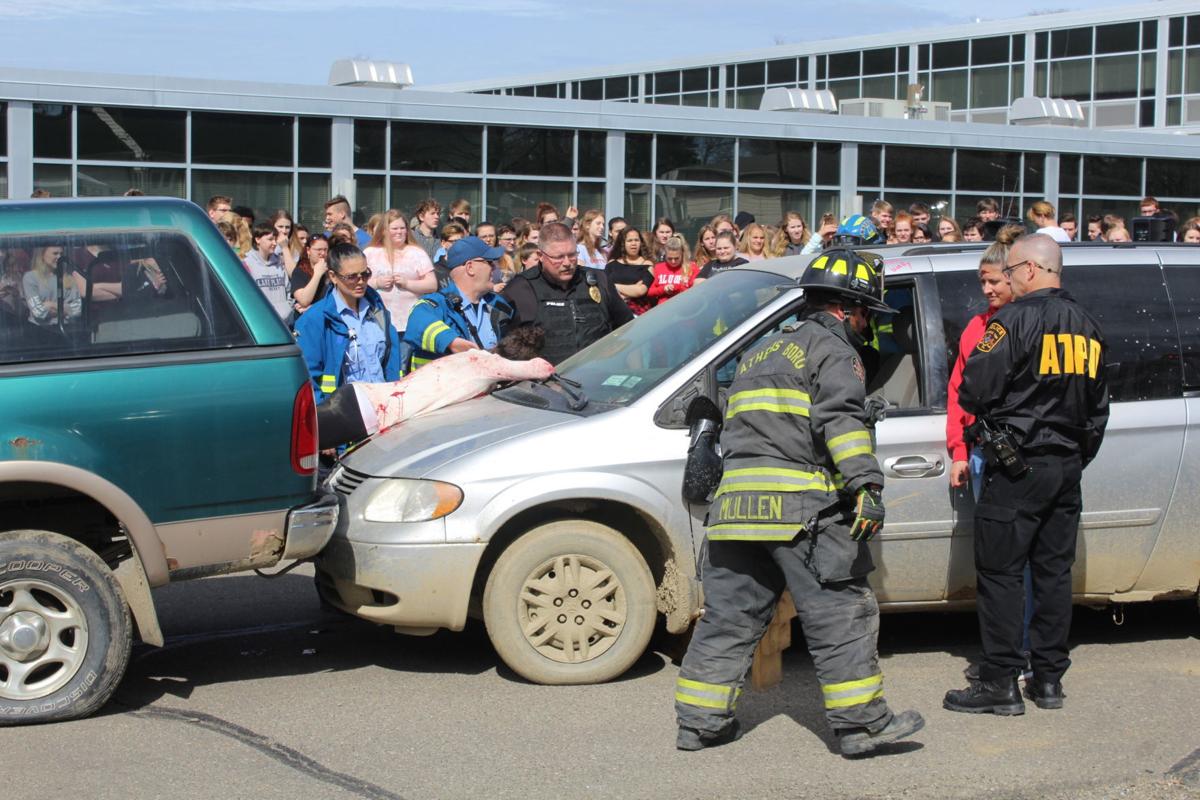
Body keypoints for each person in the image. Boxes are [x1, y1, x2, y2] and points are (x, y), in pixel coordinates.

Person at [673, 247, 924, 756]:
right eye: (866, 316)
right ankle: (862, 726)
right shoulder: (836, 352)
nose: (866, 326)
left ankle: (699, 724)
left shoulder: (760, 352)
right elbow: (840, 424)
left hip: (736, 513)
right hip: (800, 512)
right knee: (840, 615)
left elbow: (769, 427)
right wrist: (866, 487)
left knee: (729, 620)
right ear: (847, 309)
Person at [944, 233, 1109, 716]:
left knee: (1000, 574)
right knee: (1054, 572)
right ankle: (1049, 679)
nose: (1007, 280)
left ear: (1031, 271)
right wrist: (1075, 454)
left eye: (1011, 272)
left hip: (1018, 466)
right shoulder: (1089, 325)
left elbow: (974, 387)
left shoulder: (1012, 320)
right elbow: (1099, 408)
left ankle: (1000, 682)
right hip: (1066, 467)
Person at [316, 326, 555, 450]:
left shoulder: (473, 357)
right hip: (366, 410)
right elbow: (540, 369)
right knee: (289, 446)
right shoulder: (488, 365)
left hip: (361, 398)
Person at [503, 222, 632, 365]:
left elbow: (627, 327)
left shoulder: (599, 280)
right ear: (540, 255)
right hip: (545, 382)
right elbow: (505, 346)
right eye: (558, 257)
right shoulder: (521, 288)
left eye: (572, 255)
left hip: (597, 375)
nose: (567, 263)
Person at [294, 242, 401, 403]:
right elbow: (309, 379)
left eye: (365, 274)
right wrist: (326, 415)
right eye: (351, 277)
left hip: (384, 407)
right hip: (344, 414)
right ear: (333, 276)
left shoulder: (378, 310)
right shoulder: (314, 320)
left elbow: (391, 362)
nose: (360, 282)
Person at [405, 236, 516, 371]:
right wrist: (451, 341)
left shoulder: (499, 304)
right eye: (490, 262)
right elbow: (417, 322)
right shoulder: (435, 303)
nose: (495, 268)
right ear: (470, 267)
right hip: (443, 389)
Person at [364, 209, 438, 338]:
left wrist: (407, 283)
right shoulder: (370, 253)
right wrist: (376, 283)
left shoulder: (416, 253)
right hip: (376, 321)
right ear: (384, 231)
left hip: (409, 322)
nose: (399, 232)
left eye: (402, 228)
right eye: (394, 228)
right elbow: (357, 283)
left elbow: (432, 284)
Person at [243, 222, 292, 321]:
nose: (274, 243)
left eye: (275, 239)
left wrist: (288, 309)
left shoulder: (279, 262)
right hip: (262, 322)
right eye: (270, 239)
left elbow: (288, 291)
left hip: (284, 322)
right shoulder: (247, 264)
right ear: (257, 240)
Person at [23, 246, 81, 326]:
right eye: (55, 253)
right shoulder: (30, 278)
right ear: (42, 255)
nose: (59, 257)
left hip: (65, 329)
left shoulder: (69, 278)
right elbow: (38, 311)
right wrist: (67, 309)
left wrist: (50, 304)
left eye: (61, 254)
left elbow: (77, 310)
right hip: (40, 330)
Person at [606, 226, 655, 316]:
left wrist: (613, 286)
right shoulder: (612, 264)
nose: (634, 244)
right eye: (629, 241)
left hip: (637, 314)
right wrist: (630, 290)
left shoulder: (647, 265)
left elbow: (640, 290)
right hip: (613, 313)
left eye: (636, 240)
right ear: (622, 243)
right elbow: (604, 287)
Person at [648, 235, 699, 302]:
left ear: (682, 254)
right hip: (663, 308)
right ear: (665, 255)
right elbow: (650, 292)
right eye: (669, 258)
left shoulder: (691, 267)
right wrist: (664, 289)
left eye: (676, 258)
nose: (673, 261)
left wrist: (678, 287)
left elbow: (697, 292)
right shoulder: (659, 267)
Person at [291, 234, 331, 316]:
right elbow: (304, 301)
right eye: (318, 250)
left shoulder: (332, 271)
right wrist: (317, 274)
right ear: (308, 250)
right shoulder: (299, 272)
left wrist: (314, 308)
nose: (322, 253)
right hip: (306, 322)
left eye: (325, 250)